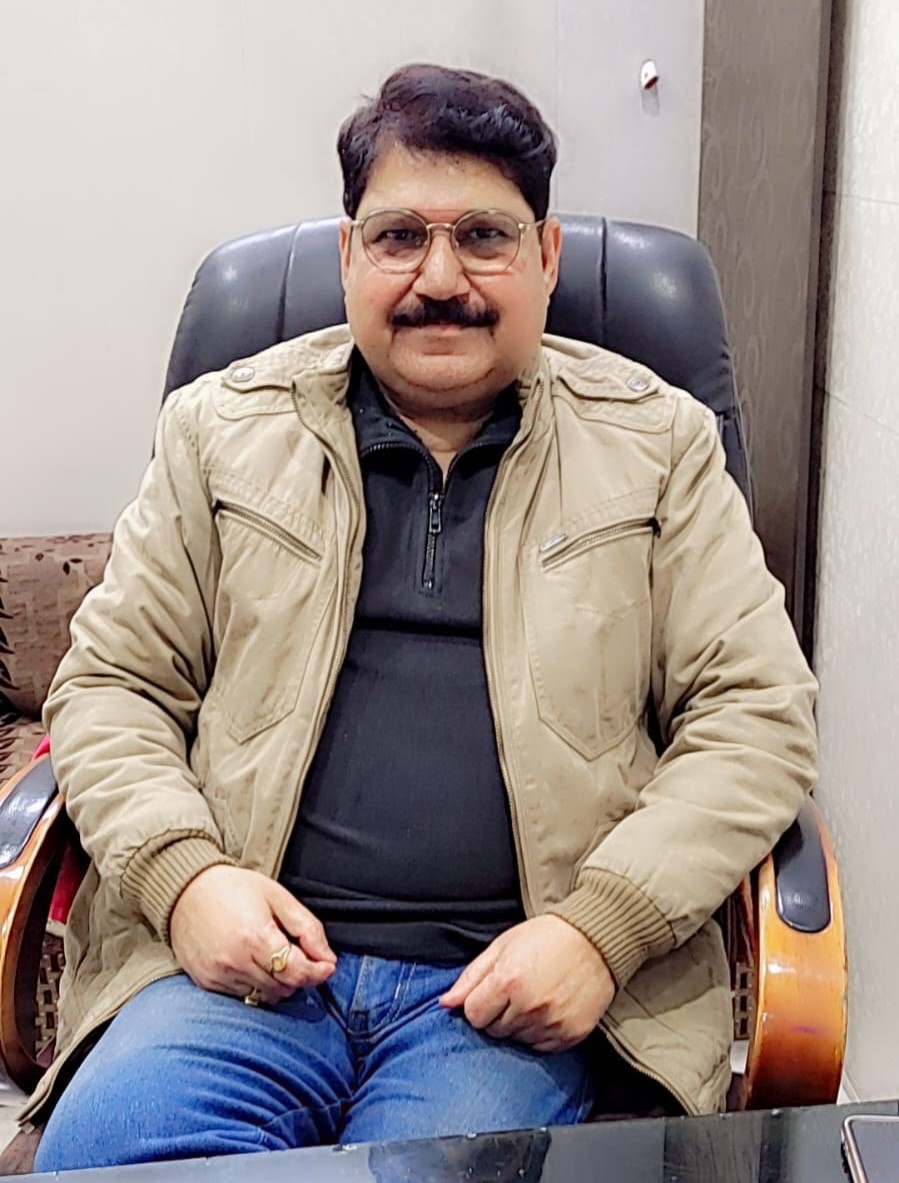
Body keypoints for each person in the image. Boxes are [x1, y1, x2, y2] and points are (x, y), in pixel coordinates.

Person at [30, 63, 816, 1171]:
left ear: (545, 257)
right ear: (348, 256)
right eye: (398, 237)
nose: (439, 279)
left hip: (501, 997)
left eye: (484, 237)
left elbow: (755, 716)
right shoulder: (221, 430)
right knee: (120, 1156)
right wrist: (186, 878)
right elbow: (113, 687)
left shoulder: (658, 444)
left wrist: (598, 930)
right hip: (239, 978)